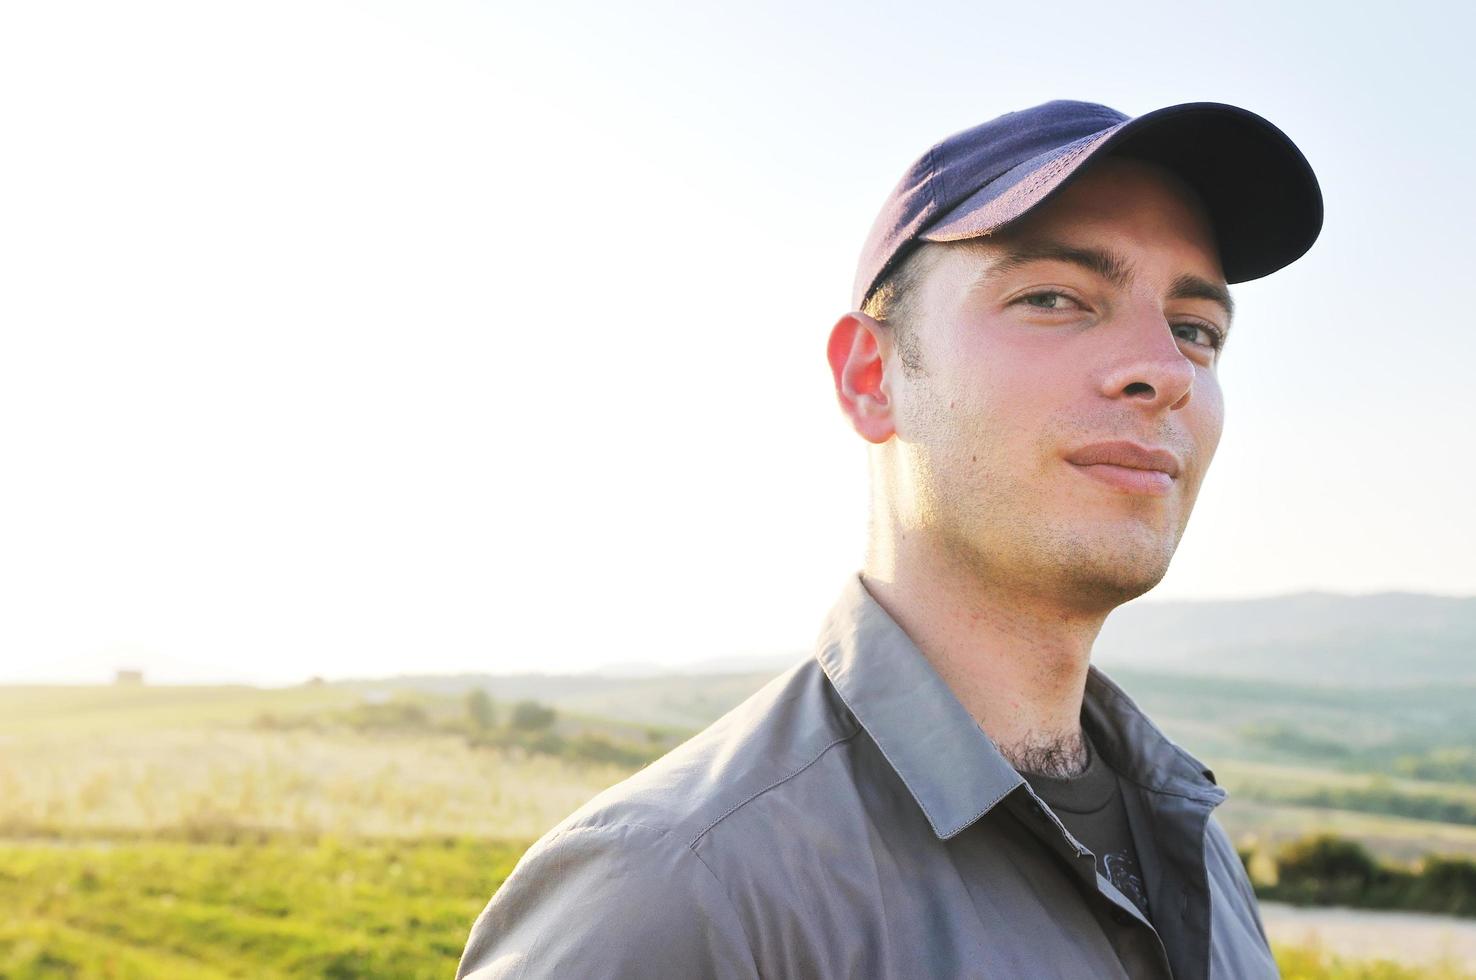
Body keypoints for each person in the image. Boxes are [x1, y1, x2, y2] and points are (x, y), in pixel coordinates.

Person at [456, 100, 1322, 979]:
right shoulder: (673, 891)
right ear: (872, 378)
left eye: (1195, 330)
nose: (1166, 370)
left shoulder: (1198, 850)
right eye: (1054, 298)